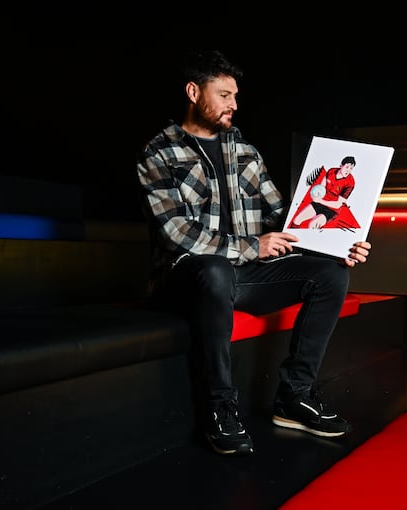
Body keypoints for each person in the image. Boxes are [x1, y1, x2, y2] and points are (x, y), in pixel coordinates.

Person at [136, 49, 372, 456]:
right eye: (225, 94)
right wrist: (251, 246)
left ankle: (294, 396)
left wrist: (336, 244)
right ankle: (219, 408)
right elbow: (176, 233)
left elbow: (284, 216)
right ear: (194, 91)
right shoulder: (159, 153)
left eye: (236, 96)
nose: (234, 104)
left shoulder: (244, 151)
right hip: (186, 279)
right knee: (214, 271)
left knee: (330, 275)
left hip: (242, 275)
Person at [290, 156, 357, 229]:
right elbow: (321, 187)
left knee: (313, 224)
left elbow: (338, 205)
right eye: (347, 167)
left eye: (351, 168)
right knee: (296, 220)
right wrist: (316, 194)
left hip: (331, 210)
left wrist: (320, 201)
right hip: (319, 203)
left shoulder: (350, 183)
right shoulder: (331, 171)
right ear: (341, 165)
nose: (348, 170)